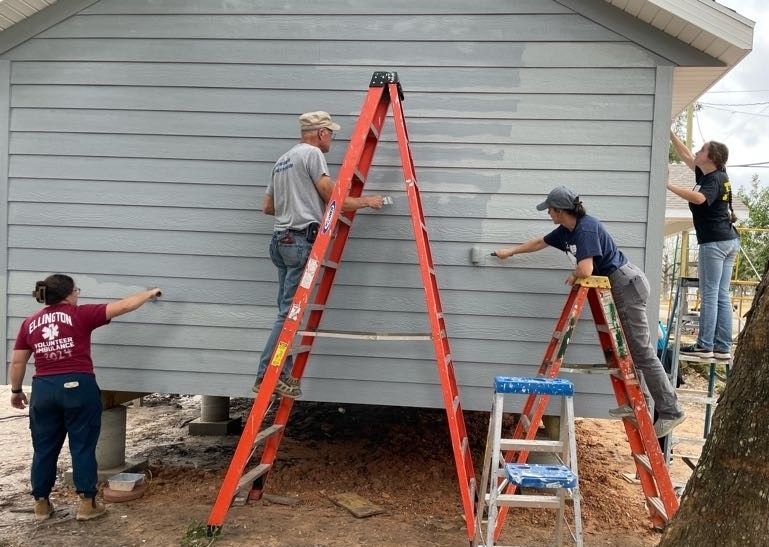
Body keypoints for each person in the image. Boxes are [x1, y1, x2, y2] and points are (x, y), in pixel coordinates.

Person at [493, 186, 685, 437]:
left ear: (560, 211)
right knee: (630, 351)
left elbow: (586, 269)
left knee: (642, 353)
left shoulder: (586, 229)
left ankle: (671, 411)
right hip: (618, 285)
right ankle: (638, 405)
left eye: (550, 209)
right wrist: (510, 252)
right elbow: (540, 242)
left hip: (626, 285)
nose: (548, 213)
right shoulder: (566, 231)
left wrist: (575, 275)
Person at [9, 275, 162, 522]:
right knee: (82, 446)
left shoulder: (29, 323)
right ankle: (87, 504)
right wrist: (149, 293)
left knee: (44, 448)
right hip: (78, 387)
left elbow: (18, 362)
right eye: (76, 290)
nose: (78, 294)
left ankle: (41, 504)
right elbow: (123, 306)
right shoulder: (80, 314)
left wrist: (16, 391)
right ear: (69, 294)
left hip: (43, 390)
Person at [255, 111, 384, 399]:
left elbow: (267, 207)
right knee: (289, 314)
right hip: (299, 241)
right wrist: (368, 201)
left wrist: (296, 207)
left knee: (286, 313)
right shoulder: (312, 154)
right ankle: (267, 375)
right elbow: (333, 197)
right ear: (321, 133)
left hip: (280, 241)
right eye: (331, 133)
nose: (332, 139)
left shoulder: (282, 160)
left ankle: (281, 373)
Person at [669, 132, 740, 360]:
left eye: (702, 150)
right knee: (721, 294)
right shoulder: (713, 174)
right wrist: (669, 132)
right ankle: (722, 347)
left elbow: (699, 199)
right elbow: (685, 154)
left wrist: (668, 185)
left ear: (711, 158)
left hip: (714, 242)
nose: (697, 152)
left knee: (710, 293)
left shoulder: (713, 180)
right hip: (728, 240)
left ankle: (705, 345)